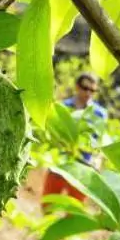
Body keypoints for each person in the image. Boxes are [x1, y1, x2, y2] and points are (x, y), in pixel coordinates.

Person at [41, 72, 108, 212]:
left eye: (93, 90)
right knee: (48, 206)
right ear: (77, 87)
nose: (88, 93)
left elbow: (101, 141)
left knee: (75, 210)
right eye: (85, 88)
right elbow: (53, 135)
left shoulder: (99, 113)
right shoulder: (62, 108)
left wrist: (98, 160)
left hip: (84, 167)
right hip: (60, 164)